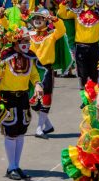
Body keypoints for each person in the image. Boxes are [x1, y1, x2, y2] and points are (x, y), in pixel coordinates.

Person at [0, 28, 43, 180]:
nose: (27, 44)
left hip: (23, 97)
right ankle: (11, 167)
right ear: (16, 42)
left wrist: (38, 84)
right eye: (24, 41)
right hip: (8, 98)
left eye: (28, 41)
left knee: (21, 131)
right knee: (11, 131)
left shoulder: (29, 57)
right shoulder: (4, 58)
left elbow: (33, 74)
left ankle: (16, 166)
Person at [57, 0, 99, 88]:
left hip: (94, 47)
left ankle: (93, 96)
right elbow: (62, 14)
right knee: (82, 74)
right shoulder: (77, 12)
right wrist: (63, 3)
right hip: (80, 47)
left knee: (94, 74)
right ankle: (85, 96)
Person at [25, 8, 66, 139]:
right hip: (31, 69)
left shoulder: (52, 34)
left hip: (46, 69)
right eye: (35, 18)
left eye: (40, 18)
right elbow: (11, 30)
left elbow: (62, 30)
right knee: (32, 100)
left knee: (45, 97)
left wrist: (53, 19)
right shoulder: (29, 34)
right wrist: (2, 17)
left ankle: (39, 128)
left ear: (45, 21)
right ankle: (47, 125)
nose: (37, 20)